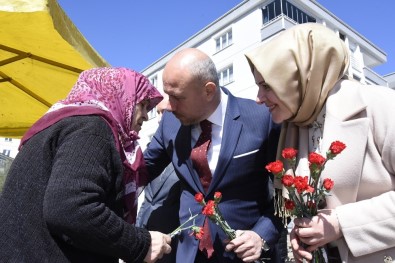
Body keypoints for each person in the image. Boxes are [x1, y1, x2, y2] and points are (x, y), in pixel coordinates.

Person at [245, 23, 395, 263]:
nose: (259, 99)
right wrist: (303, 233)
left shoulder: (380, 105)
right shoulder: (298, 124)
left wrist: (341, 225)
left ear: (301, 78)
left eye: (266, 86)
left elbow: (335, 221)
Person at [0, 67, 172, 263]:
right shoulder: (92, 128)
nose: (146, 116)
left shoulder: (62, 126)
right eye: (142, 104)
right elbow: (71, 208)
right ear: (120, 97)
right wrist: (141, 243)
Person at [144, 48, 283, 263]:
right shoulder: (170, 123)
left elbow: (288, 194)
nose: (169, 105)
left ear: (208, 90)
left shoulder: (262, 119)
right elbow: (140, 171)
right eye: (168, 95)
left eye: (177, 97)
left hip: (243, 255)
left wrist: (262, 235)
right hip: (188, 254)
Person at [137, 95, 181, 263]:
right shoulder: (151, 153)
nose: (162, 118)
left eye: (167, 112)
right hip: (145, 238)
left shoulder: (184, 156)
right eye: (160, 113)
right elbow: (147, 199)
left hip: (170, 244)